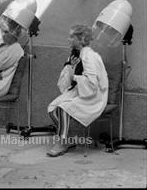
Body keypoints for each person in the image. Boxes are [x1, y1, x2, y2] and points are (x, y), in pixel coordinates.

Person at [46, 24, 108, 157]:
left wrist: (74, 75)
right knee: (52, 108)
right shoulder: (75, 55)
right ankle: (68, 138)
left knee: (63, 108)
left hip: (94, 96)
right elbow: (65, 82)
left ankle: (62, 142)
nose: (68, 39)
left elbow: (92, 83)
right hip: (79, 91)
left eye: (71, 36)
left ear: (81, 39)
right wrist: (70, 68)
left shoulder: (90, 56)